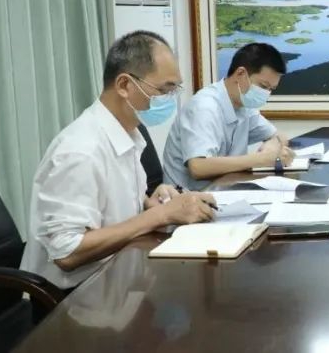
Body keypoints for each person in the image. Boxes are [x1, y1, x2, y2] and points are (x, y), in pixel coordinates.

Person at [21, 31, 217, 289]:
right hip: (73, 295)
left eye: (174, 89)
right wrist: (159, 215)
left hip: (119, 275)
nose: (170, 99)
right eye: (164, 90)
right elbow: (66, 252)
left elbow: (112, 207)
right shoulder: (80, 150)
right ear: (124, 85)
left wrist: (151, 202)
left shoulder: (129, 134)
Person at [162, 42, 295, 191]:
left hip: (227, 191)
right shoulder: (204, 107)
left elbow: (279, 136)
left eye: (271, 89)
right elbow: (198, 167)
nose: (266, 93)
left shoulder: (244, 105)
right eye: (263, 86)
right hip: (190, 198)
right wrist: (260, 159)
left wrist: (272, 145)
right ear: (240, 74)